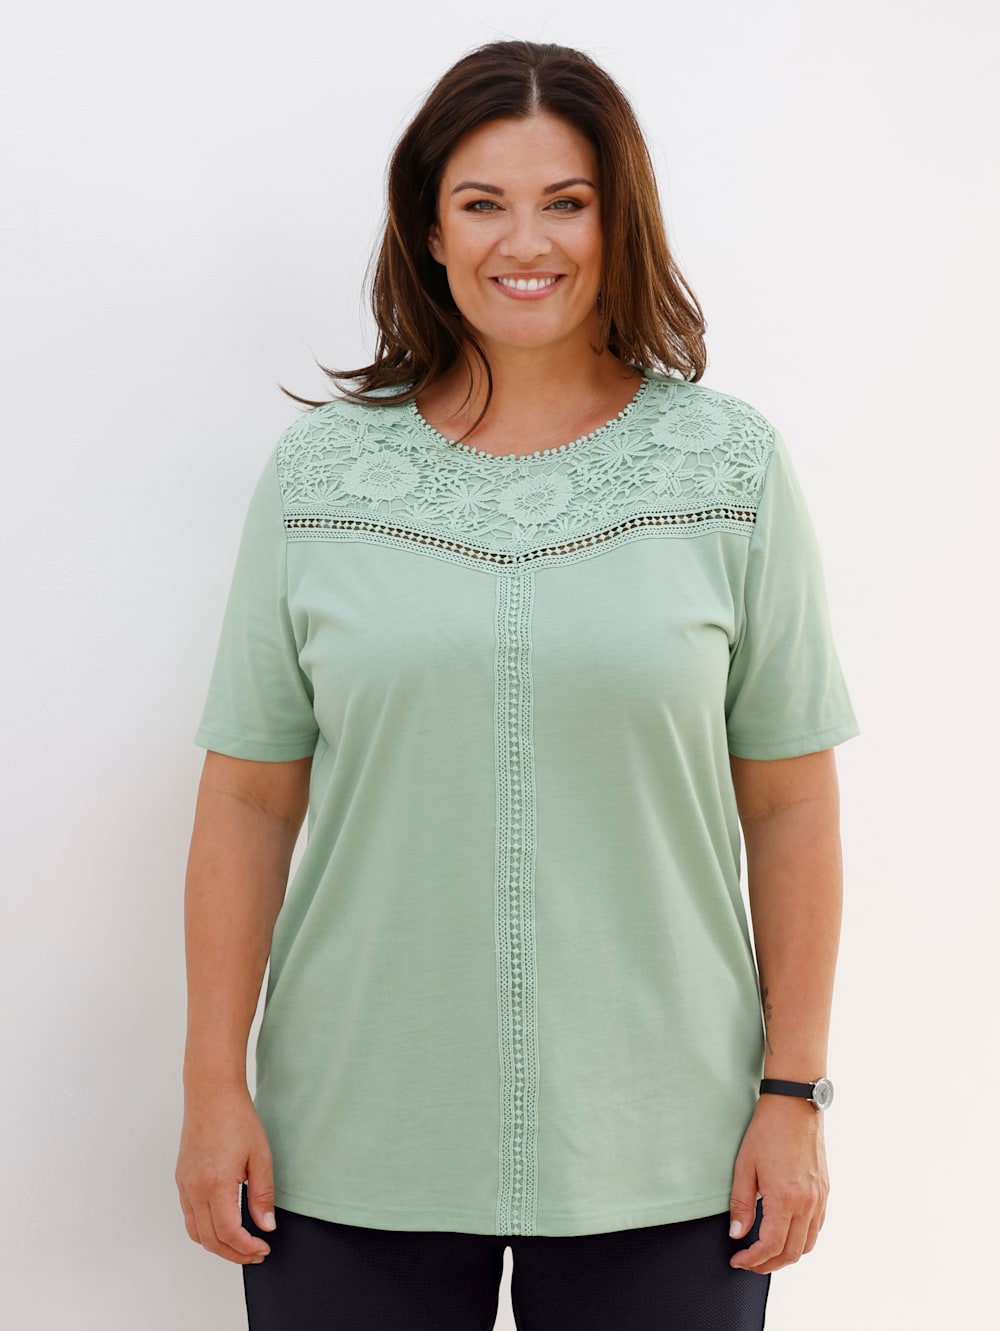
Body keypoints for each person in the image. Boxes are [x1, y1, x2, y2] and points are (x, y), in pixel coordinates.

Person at [176, 38, 859, 1331]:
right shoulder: (320, 477)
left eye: (566, 201)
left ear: (619, 221)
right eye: (483, 202)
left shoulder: (731, 470)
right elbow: (252, 796)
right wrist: (214, 1083)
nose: (524, 241)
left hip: (673, 1144)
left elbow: (791, 803)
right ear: (429, 230)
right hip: (351, 1134)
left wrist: (795, 1092)